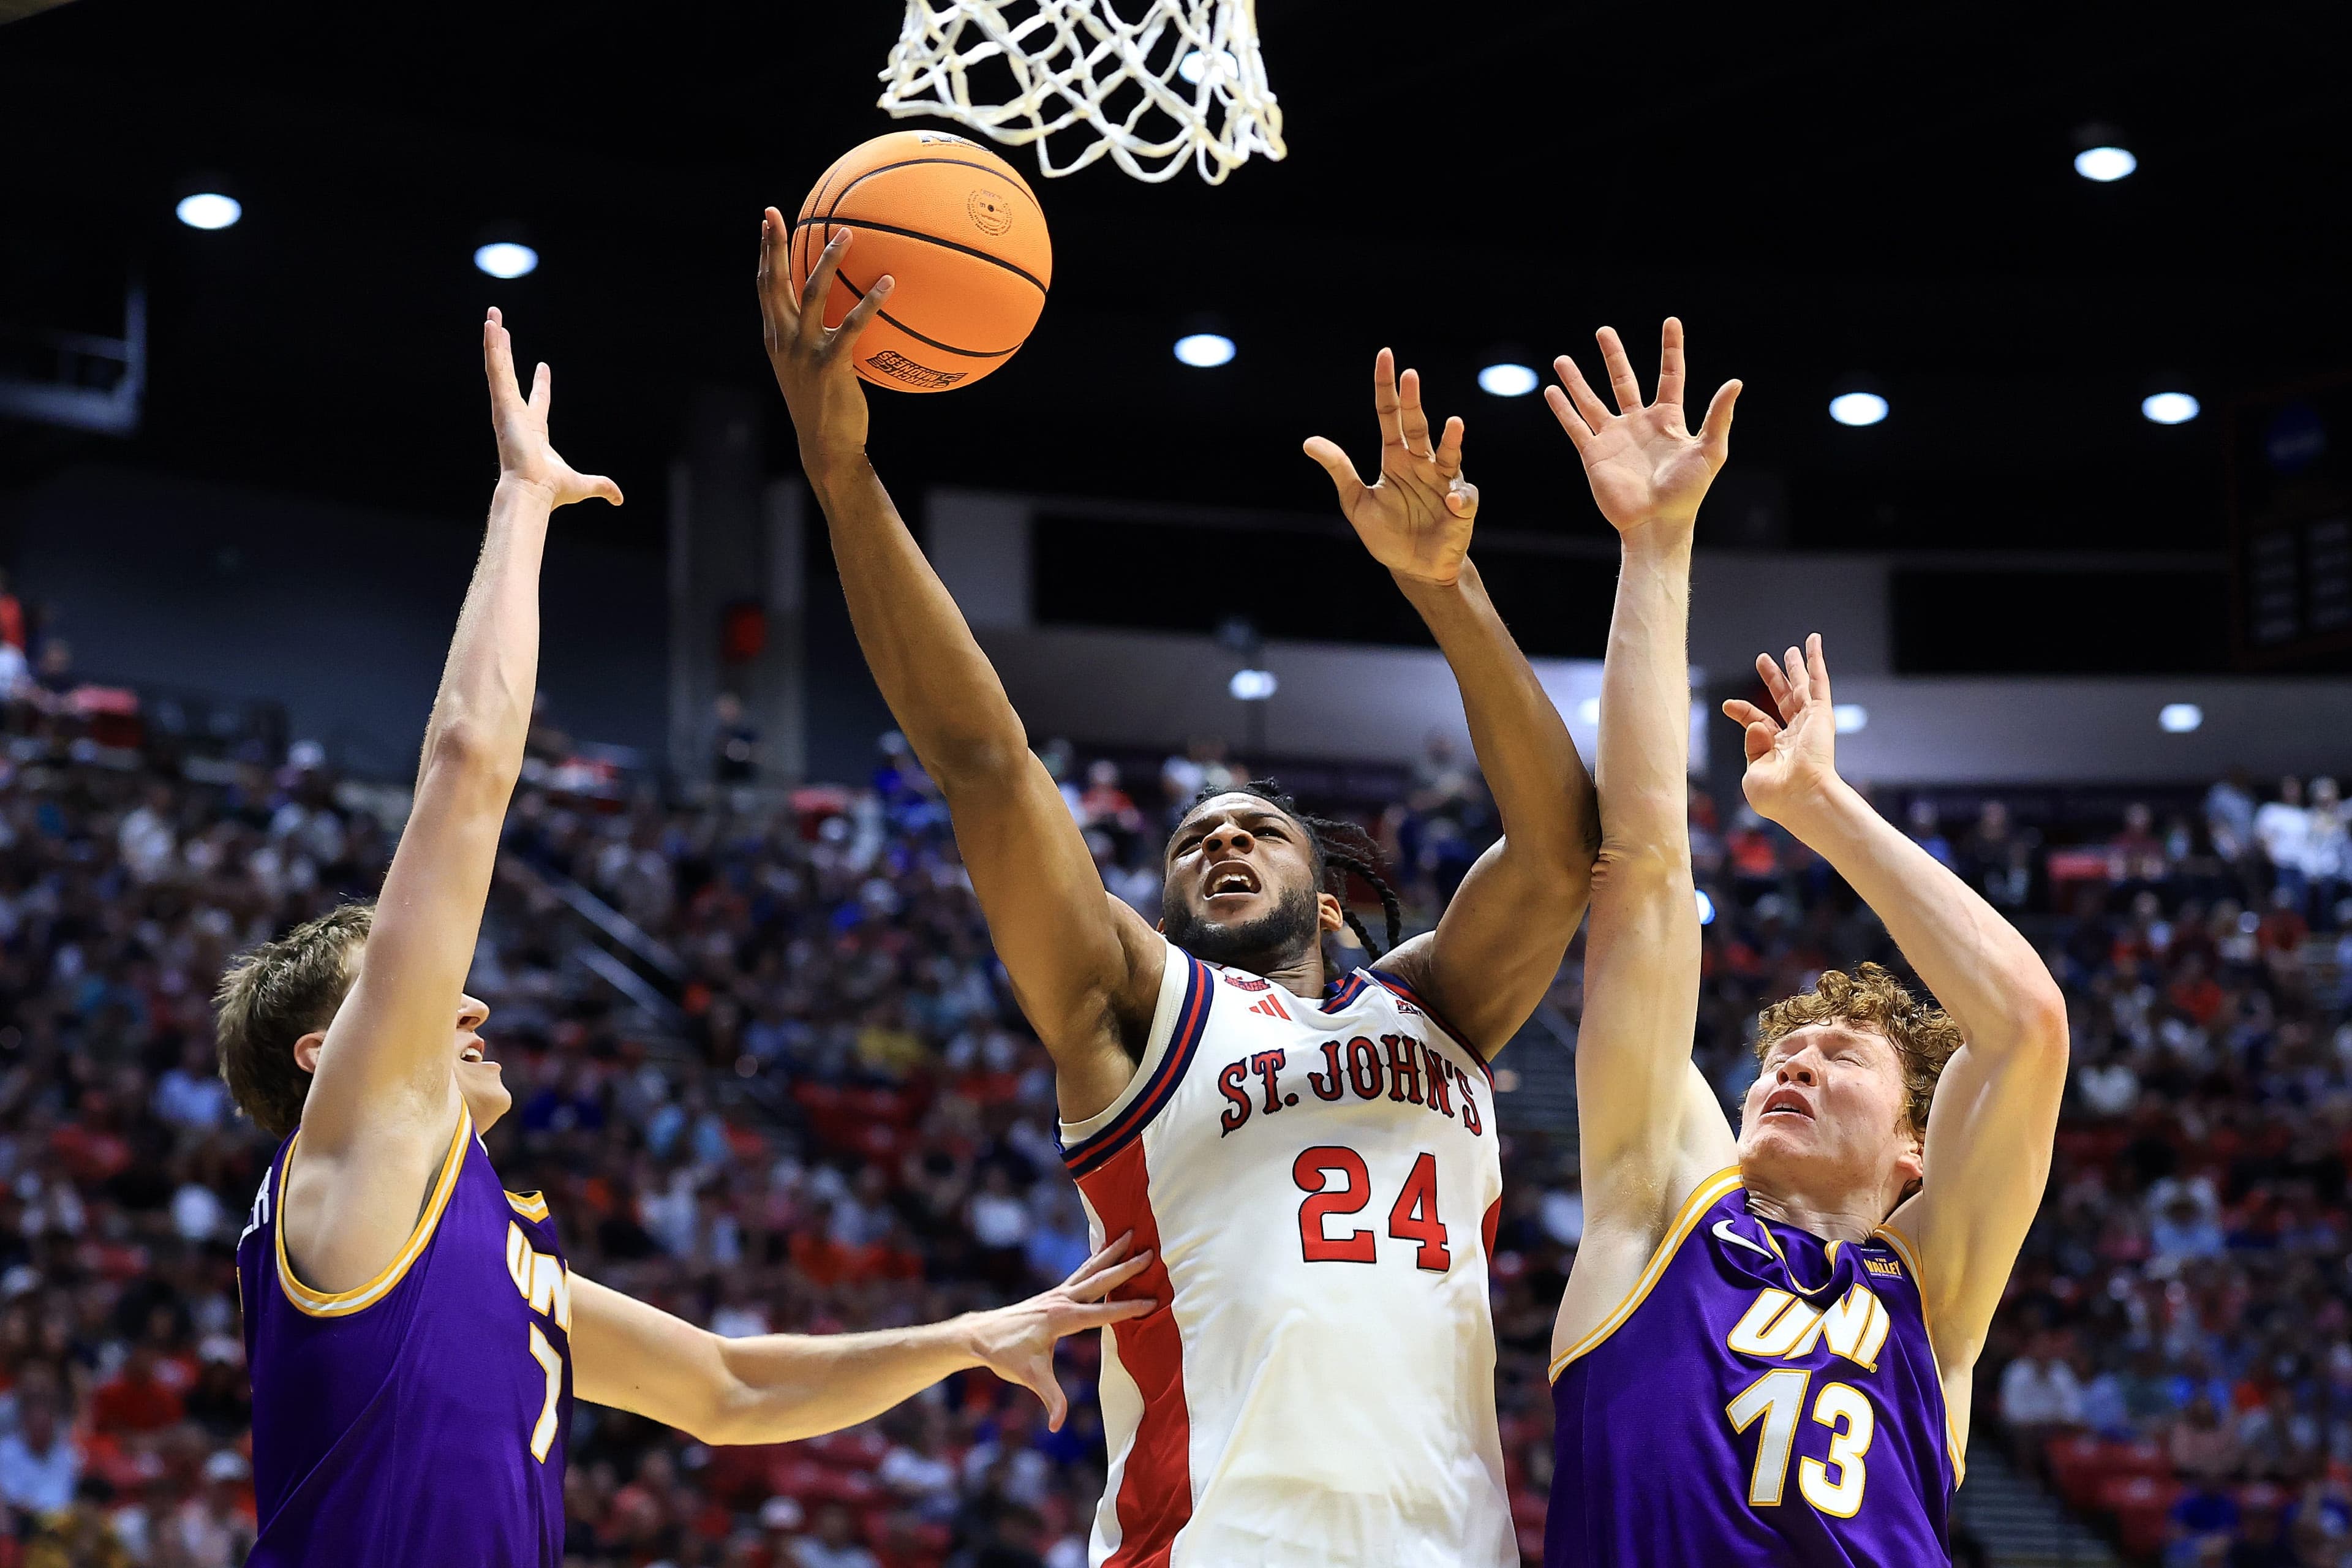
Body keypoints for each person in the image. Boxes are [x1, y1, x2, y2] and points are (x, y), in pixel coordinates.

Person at [221, 310, 1152, 1567]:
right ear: (328, 1053)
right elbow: (465, 766)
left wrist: (969, 1335)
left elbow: (726, 1386)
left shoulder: (482, 1235)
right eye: (425, 992)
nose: (472, 1004)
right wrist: (522, 503)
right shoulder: (357, 1146)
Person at [759, 217, 1600, 1567]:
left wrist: (1446, 590)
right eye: (1193, 836)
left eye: (1257, 829)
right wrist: (841, 470)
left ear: (1331, 899)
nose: (1218, 841)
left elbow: (1564, 847)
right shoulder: (1135, 1007)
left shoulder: (1441, 1002)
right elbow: (983, 762)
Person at [1538, 321, 2069, 1563]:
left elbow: (2026, 1024)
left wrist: (1825, 807)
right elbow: (1647, 873)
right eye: (1784, 1054)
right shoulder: (1657, 1198)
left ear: (1912, 1149)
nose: (1795, 1065)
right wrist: (1655, 547)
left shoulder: (1930, 1294)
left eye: (1842, 1057)